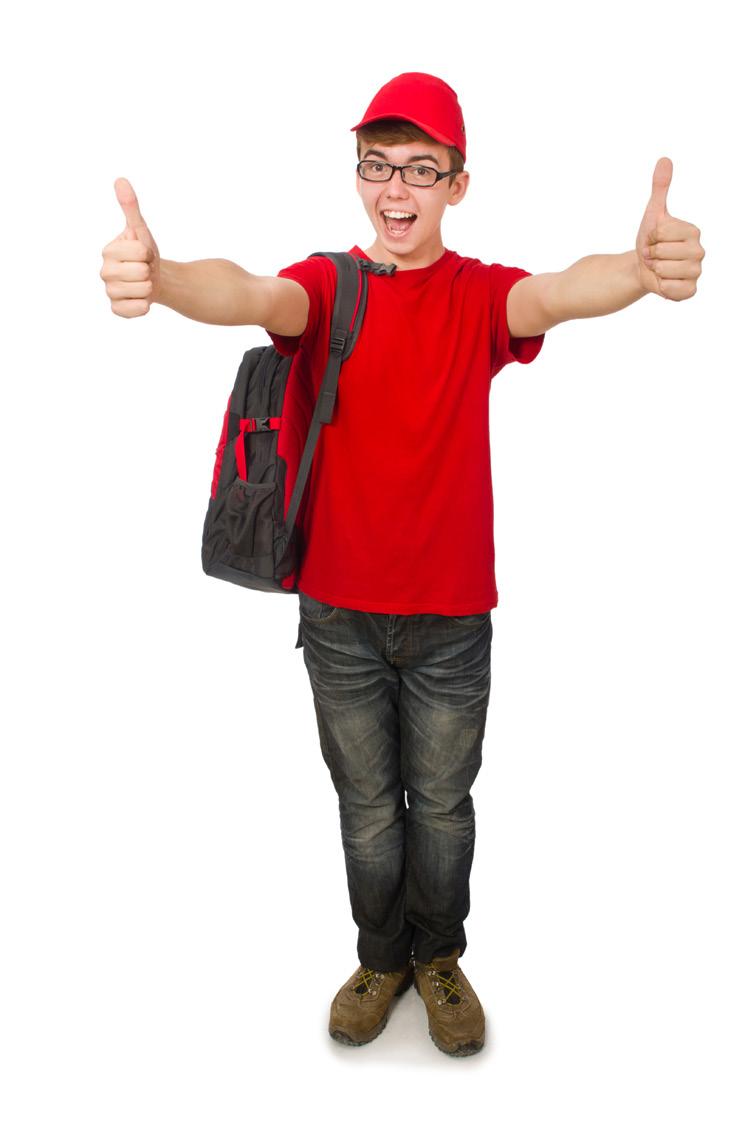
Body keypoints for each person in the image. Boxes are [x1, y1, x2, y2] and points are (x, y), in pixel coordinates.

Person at [100, 71, 704, 1057]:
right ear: (358, 175)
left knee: (446, 808)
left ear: (457, 185)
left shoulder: (478, 296)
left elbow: (559, 289)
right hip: (337, 614)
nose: (395, 188)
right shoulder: (326, 287)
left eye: (421, 169)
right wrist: (162, 280)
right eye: (378, 165)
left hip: (453, 617)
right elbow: (250, 291)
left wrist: (640, 270)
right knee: (369, 811)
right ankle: (381, 957)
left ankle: (440, 957)